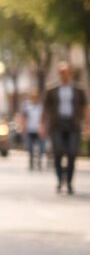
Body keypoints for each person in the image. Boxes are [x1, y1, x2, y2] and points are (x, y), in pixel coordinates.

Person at [42, 62, 87, 195]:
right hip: (57, 124)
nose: (64, 74)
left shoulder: (79, 90)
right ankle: (60, 178)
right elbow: (45, 109)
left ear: (70, 73)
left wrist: (88, 124)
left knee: (72, 153)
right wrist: (42, 124)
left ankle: (69, 182)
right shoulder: (52, 89)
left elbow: (85, 108)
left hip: (73, 124)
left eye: (66, 72)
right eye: (61, 72)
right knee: (58, 152)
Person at [18, 91, 45, 171]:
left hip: (39, 130)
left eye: (36, 97)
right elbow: (23, 117)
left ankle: (39, 161)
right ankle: (31, 162)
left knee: (41, 148)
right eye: (33, 97)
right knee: (30, 147)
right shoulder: (27, 106)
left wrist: (44, 128)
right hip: (30, 130)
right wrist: (23, 128)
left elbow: (45, 118)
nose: (34, 99)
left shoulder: (41, 107)